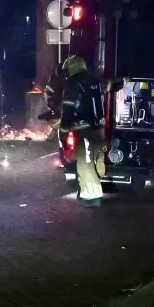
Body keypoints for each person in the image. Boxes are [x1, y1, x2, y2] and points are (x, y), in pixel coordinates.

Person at [58, 55, 107, 207]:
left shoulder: (72, 84)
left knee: (85, 163)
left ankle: (92, 197)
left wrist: (63, 133)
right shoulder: (95, 81)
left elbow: (68, 111)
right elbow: (110, 85)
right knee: (97, 160)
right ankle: (89, 187)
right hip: (99, 130)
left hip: (83, 131)